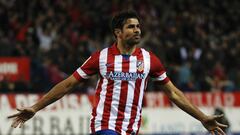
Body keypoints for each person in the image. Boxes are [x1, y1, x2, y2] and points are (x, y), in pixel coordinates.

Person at [8, 10, 227, 135]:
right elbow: (67, 85)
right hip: (105, 126)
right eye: (131, 26)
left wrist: (203, 118)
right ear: (118, 33)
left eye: (138, 26)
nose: (137, 30)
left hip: (131, 129)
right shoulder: (101, 58)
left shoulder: (149, 60)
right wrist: (36, 107)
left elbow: (175, 94)